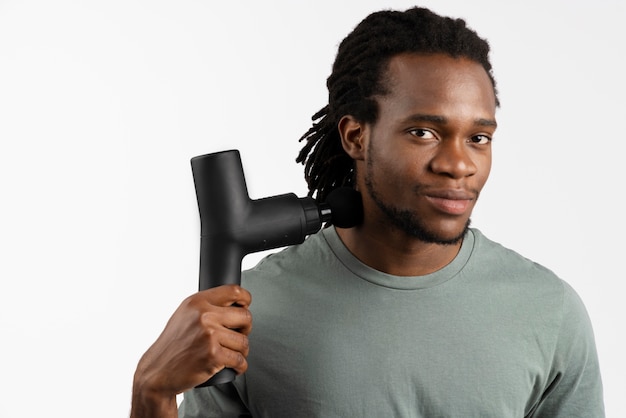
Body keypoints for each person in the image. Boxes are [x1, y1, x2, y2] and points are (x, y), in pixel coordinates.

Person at [131, 6, 604, 417]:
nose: (458, 164)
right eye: (423, 132)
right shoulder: (250, 313)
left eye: (478, 138)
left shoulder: (549, 312)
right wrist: (151, 393)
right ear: (356, 137)